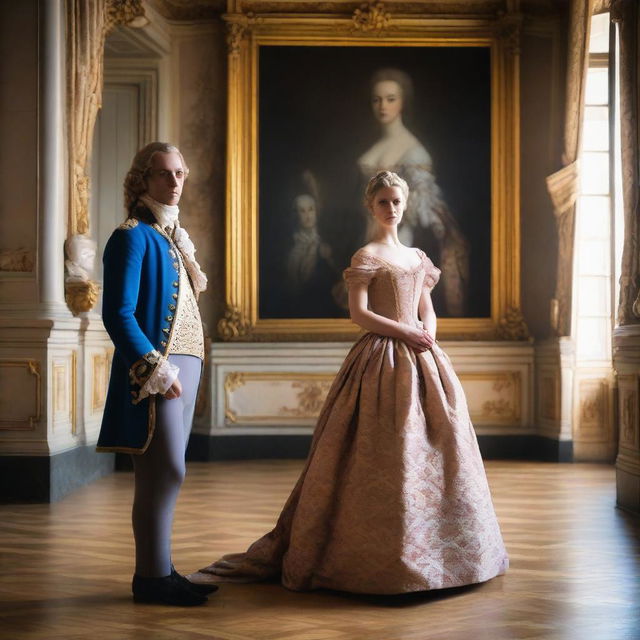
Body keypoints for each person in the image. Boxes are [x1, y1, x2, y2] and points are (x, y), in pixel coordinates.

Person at [192, 170, 508, 594]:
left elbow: (426, 305)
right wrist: (406, 332)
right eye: (383, 202)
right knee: (379, 450)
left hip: (422, 354)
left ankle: (448, 557)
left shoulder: (417, 256)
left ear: (405, 203)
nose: (391, 208)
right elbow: (358, 314)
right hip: (382, 359)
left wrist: (427, 331)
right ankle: (374, 555)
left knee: (443, 445)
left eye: (397, 201)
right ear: (370, 205)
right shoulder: (367, 255)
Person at [96, 142, 217, 606]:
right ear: (143, 179)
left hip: (187, 364)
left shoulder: (173, 237)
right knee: (164, 469)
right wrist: (155, 370)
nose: (174, 182)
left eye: (180, 173)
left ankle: (160, 570)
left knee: (167, 474)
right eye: (164, 174)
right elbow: (118, 314)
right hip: (157, 371)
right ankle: (150, 577)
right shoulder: (131, 236)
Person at [358, 68, 470, 317]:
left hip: (400, 236)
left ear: (403, 102)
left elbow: (422, 211)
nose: (382, 106)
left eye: (391, 99)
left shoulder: (415, 153)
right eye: (376, 99)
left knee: (392, 304)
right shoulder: (376, 144)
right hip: (367, 232)